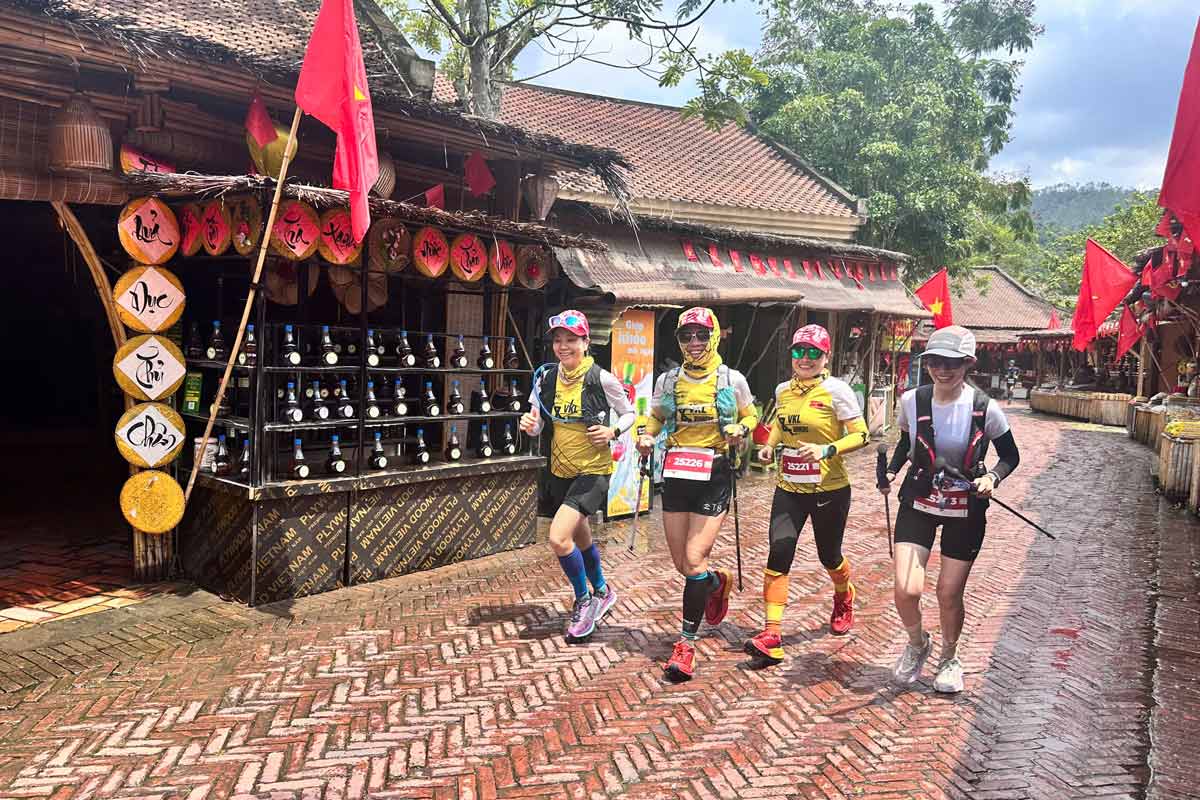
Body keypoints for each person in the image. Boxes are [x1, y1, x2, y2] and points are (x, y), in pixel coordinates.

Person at [879, 326, 1020, 693]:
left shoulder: (985, 408)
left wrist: (992, 477)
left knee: (947, 592)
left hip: (965, 506)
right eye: (936, 362)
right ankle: (917, 643)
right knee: (906, 589)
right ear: (927, 364)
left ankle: (949, 657)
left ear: (968, 364)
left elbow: (1010, 456)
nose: (943, 369)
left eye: (953, 363)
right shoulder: (911, 401)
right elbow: (908, 443)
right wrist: (892, 471)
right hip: (920, 501)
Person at [636, 307, 757, 681]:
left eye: (702, 335)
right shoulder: (668, 380)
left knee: (693, 556)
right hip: (676, 471)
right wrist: (646, 433)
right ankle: (716, 583)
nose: (694, 343)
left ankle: (686, 644)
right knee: (684, 565)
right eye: (687, 336)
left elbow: (752, 416)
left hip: (715, 472)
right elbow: (654, 415)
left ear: (715, 336)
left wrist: (741, 427)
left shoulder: (730, 379)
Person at [746, 325, 870, 665]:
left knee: (829, 555)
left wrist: (827, 449)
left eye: (814, 352)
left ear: (826, 357)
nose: (805, 358)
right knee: (779, 549)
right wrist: (768, 447)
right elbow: (780, 427)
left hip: (830, 489)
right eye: (800, 351)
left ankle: (844, 594)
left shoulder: (836, 390)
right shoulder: (783, 390)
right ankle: (772, 632)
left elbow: (862, 435)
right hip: (789, 487)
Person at [519, 310, 636, 641]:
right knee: (580, 535)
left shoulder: (602, 379)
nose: (563, 346)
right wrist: (528, 426)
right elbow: (538, 422)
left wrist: (612, 432)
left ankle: (584, 601)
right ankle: (602, 589)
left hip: (593, 472)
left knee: (558, 538)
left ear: (585, 342)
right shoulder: (547, 379)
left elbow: (629, 413)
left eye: (571, 340)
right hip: (560, 470)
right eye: (558, 340)